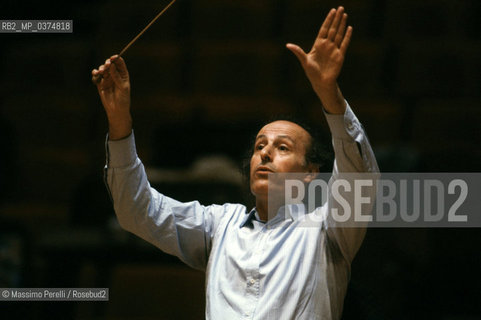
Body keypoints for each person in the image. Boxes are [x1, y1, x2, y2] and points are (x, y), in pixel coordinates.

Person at [93, 6, 379, 320]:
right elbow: (137, 211)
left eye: (282, 147)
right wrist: (120, 120)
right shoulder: (219, 225)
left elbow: (359, 181)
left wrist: (329, 94)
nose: (266, 154)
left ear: (311, 172)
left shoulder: (329, 229)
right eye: (260, 146)